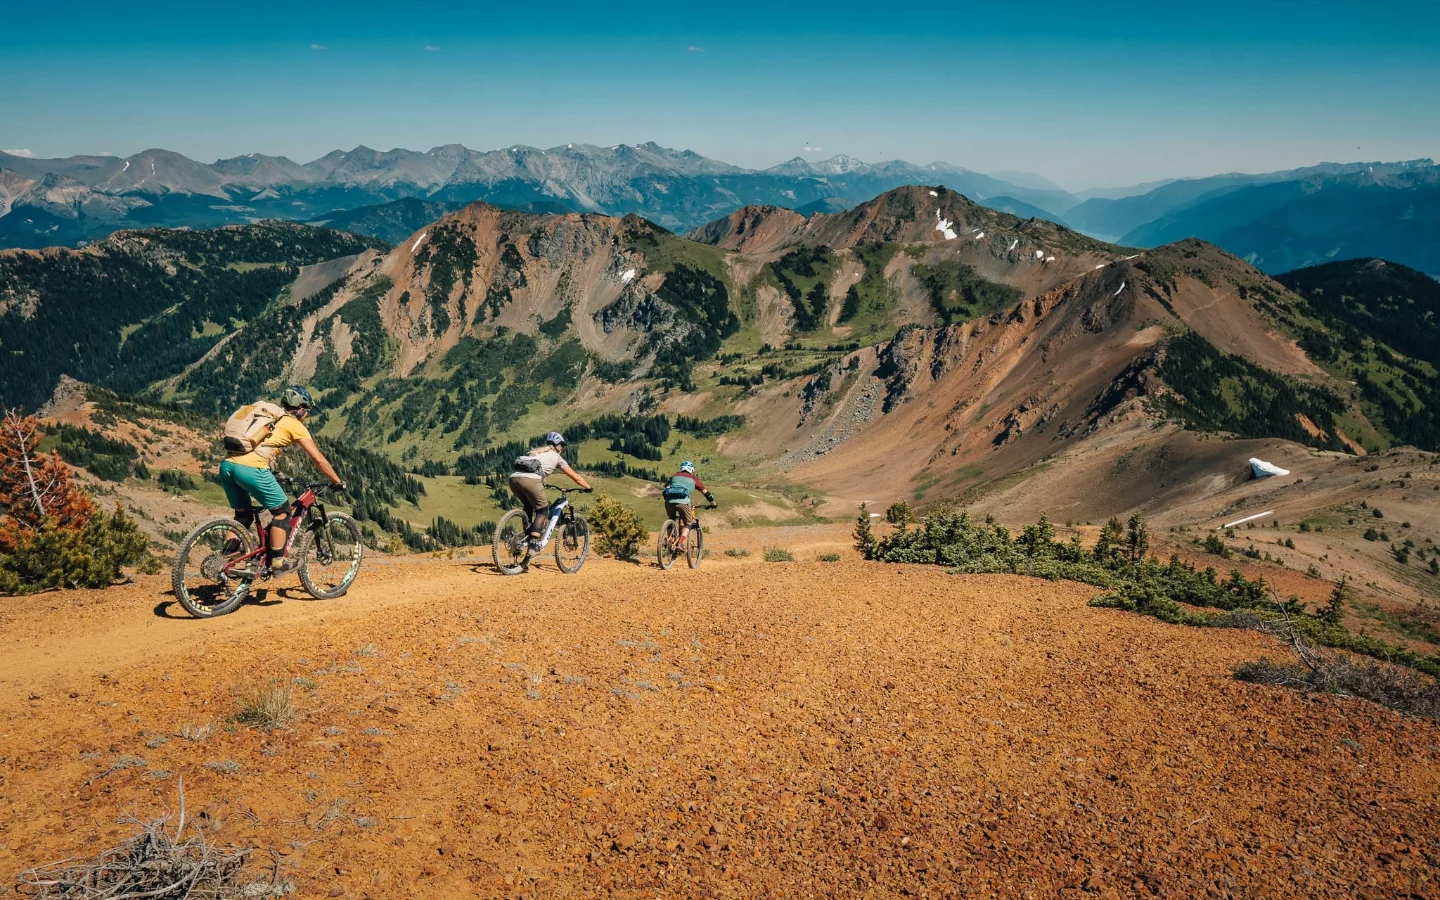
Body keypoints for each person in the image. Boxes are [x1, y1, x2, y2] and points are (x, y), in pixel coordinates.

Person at [218, 386, 344, 577]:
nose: (306, 416)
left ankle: (225, 561)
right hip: (252, 469)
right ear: (301, 409)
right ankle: (278, 562)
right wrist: (337, 481)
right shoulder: (294, 425)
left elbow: (260, 446)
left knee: (243, 516)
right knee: (282, 512)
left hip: (227, 466)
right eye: (307, 412)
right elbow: (319, 459)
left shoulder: (268, 417)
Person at [509, 432, 592, 550]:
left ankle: (526, 535)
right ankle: (534, 541)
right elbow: (575, 477)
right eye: (562, 445)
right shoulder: (557, 458)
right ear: (557, 445)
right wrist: (588, 487)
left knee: (528, 505)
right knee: (543, 510)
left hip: (513, 479)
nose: (562, 448)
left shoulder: (536, 453)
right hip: (532, 481)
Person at [662, 461, 716, 549]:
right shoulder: (694, 479)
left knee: (671, 519)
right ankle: (680, 543)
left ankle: (669, 540)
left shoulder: (673, 476)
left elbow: (666, 488)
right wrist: (713, 502)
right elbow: (705, 492)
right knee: (688, 523)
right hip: (683, 502)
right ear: (691, 470)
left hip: (669, 501)